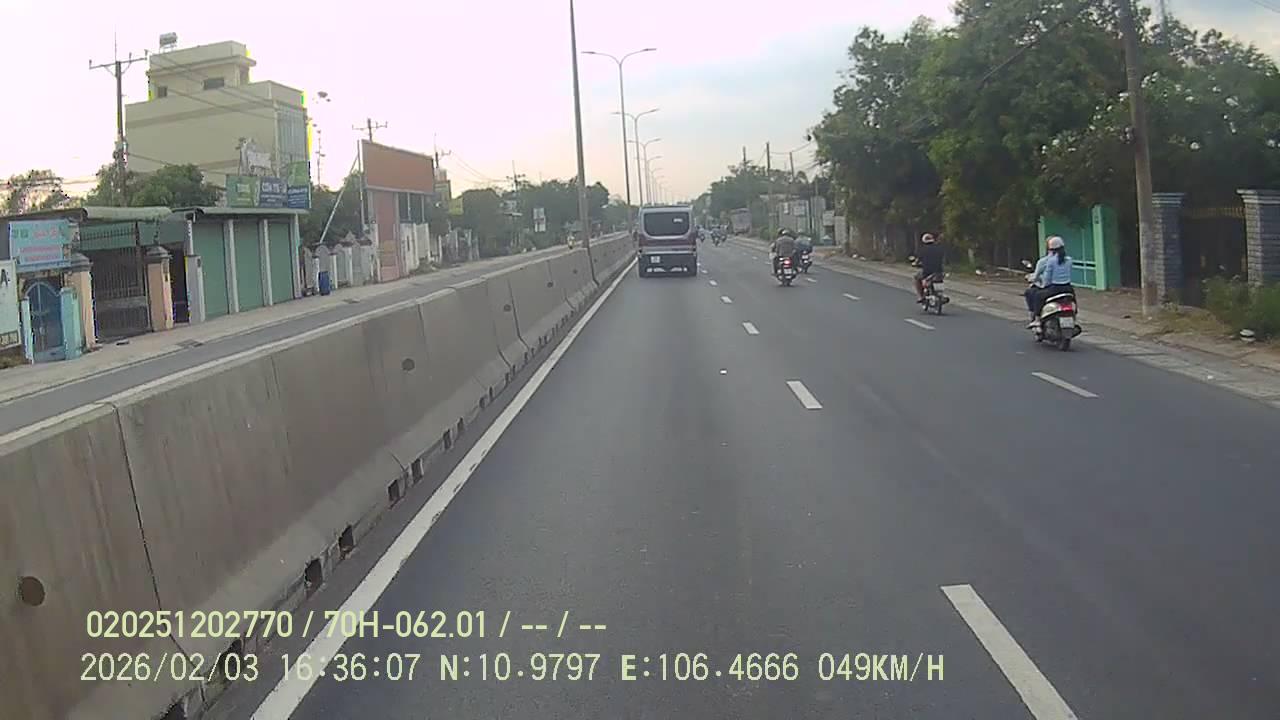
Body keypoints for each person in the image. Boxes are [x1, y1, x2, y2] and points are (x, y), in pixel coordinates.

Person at [1025, 235, 1074, 326]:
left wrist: (1043, 286)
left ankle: (1037, 319)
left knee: (1038, 296)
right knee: (1072, 301)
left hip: (1055, 288)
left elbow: (1047, 277)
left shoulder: (1051, 261)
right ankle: (1075, 317)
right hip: (1068, 288)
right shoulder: (1069, 260)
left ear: (1050, 249)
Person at [913, 233, 945, 304]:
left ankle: (920, 296)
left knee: (916, 277)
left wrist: (915, 263)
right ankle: (940, 295)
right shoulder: (939, 248)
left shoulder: (922, 249)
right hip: (939, 271)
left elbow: (917, 260)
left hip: (927, 272)